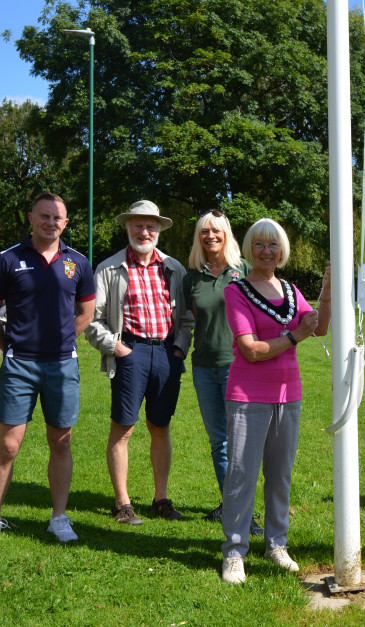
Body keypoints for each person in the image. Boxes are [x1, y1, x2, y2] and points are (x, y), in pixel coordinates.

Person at [0, 193, 95, 544]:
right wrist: (12, 345)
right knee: (9, 445)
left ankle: (59, 517)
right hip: (20, 366)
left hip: (62, 366)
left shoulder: (78, 263)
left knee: (61, 442)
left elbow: (85, 313)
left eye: (57, 218)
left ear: (66, 223)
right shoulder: (7, 260)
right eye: (44, 216)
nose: (51, 223)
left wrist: (60, 342)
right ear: (31, 218)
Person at [220, 219, 330, 584]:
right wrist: (296, 335)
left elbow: (322, 326)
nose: (267, 251)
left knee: (279, 476)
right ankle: (235, 551)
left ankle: (276, 544)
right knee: (242, 475)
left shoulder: (289, 287)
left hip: (288, 394)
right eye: (259, 244)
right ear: (249, 248)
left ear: (282, 250)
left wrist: (329, 286)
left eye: (273, 245)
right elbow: (250, 350)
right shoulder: (237, 290)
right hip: (248, 396)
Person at [86, 200, 194, 525]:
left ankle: (161, 499)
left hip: (166, 352)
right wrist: (118, 349)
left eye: (150, 226)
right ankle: (122, 503)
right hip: (130, 351)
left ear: (158, 230)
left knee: (160, 427)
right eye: (138, 225)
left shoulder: (174, 268)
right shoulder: (108, 268)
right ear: (128, 227)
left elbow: (186, 317)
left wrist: (179, 350)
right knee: (123, 427)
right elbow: (93, 321)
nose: (144, 231)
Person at [183, 209, 263, 536]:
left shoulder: (243, 271)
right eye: (205, 232)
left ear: (226, 234)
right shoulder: (192, 277)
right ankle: (230, 505)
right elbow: (192, 319)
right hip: (203, 367)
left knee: (240, 442)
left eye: (216, 231)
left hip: (237, 367)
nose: (211, 236)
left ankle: (245, 513)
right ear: (199, 237)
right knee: (219, 442)